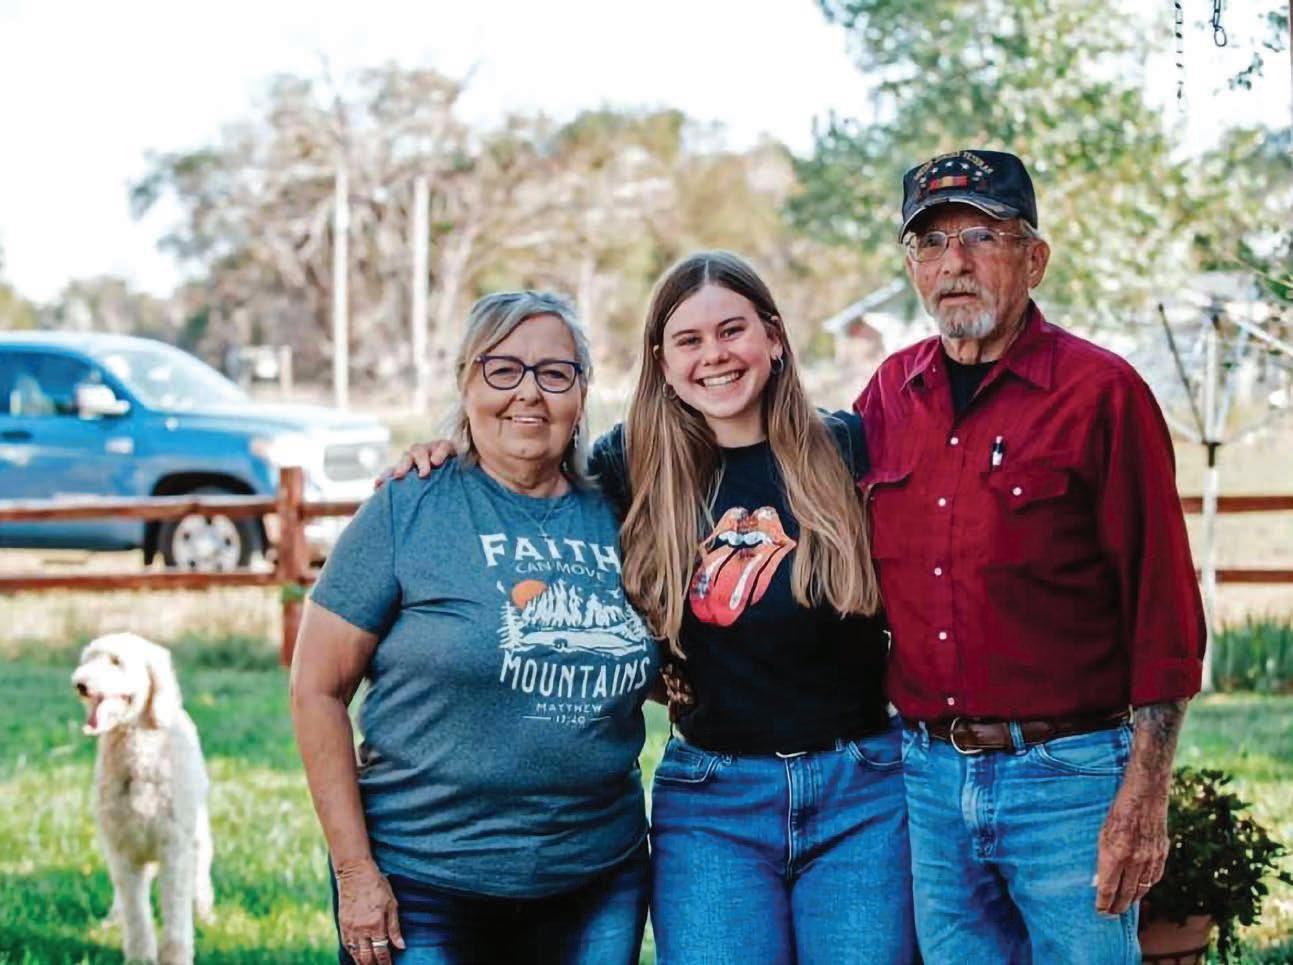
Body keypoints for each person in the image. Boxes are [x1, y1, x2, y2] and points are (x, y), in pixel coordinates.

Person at [391, 251, 918, 964]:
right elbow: (523, 470)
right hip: (714, 804)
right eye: (688, 340)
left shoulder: (847, 449)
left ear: (772, 337)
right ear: (663, 363)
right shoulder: (631, 465)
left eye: (731, 330)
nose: (714, 355)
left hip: (862, 794)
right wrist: (448, 452)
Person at [856, 149, 1206, 963]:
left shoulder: (1100, 394)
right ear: (911, 267)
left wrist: (1144, 794)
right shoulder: (886, 397)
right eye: (930, 242)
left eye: (980, 236)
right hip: (929, 778)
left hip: (1067, 779)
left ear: (1033, 259)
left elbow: (1162, 609)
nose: (953, 262)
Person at [291, 291, 660, 965]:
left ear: (582, 393)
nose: (529, 392)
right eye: (503, 369)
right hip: (423, 884)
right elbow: (316, 688)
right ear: (466, 382)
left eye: (555, 373)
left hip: (596, 880)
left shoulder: (624, 510)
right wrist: (355, 871)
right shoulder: (409, 507)